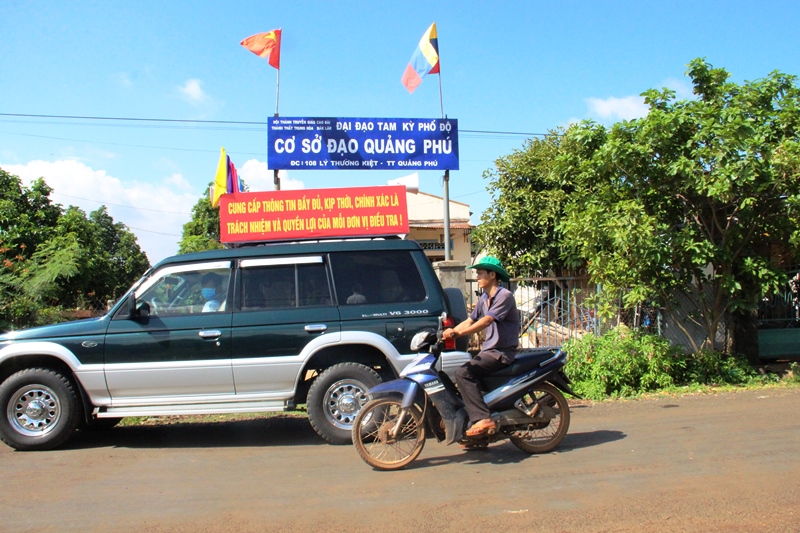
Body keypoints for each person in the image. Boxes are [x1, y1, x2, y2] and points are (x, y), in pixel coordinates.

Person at [443, 256, 519, 437]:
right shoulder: (484, 298)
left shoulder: (504, 296)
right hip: (489, 351)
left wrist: (458, 334)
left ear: (492, 275)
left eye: (480, 273)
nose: (476, 277)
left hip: (500, 352)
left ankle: (483, 418)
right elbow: (470, 321)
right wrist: (450, 331)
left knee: (463, 373)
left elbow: (486, 321)